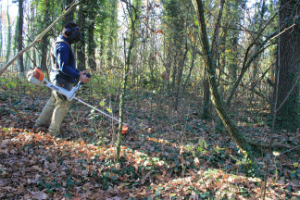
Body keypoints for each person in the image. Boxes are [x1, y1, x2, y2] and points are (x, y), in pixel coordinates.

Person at [34, 22, 90, 137]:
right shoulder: (63, 46)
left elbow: (66, 65)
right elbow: (63, 66)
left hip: (58, 78)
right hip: (62, 80)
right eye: (74, 33)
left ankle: (39, 124)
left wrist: (78, 72)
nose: (76, 36)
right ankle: (53, 133)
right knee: (63, 105)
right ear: (68, 32)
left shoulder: (60, 43)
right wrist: (79, 77)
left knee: (53, 101)